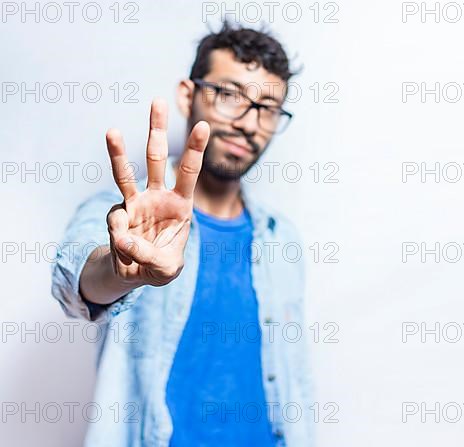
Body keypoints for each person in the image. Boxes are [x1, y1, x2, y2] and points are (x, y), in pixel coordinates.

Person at [51, 22, 312, 447]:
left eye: (268, 108)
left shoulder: (283, 240)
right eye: (229, 95)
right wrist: (121, 270)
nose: (250, 123)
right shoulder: (124, 213)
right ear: (188, 95)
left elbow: (295, 381)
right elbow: (75, 283)